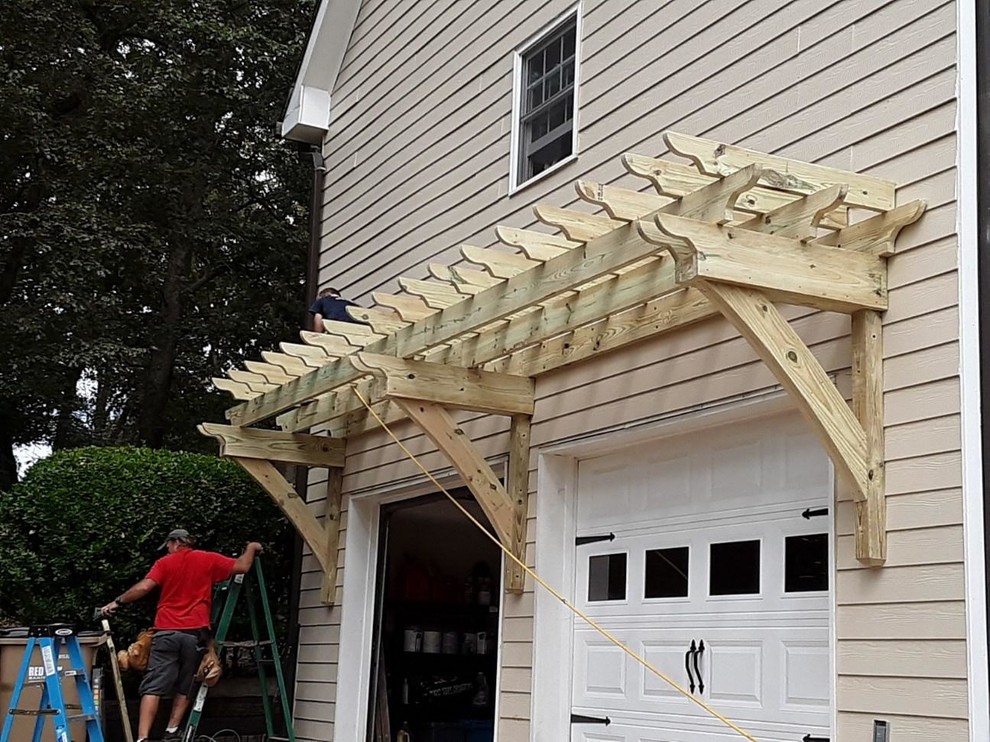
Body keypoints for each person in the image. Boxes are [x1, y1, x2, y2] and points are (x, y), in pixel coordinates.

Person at [101, 529, 263, 742]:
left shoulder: (165, 564)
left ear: (176, 543)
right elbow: (243, 566)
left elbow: (145, 587)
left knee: (153, 685)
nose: (167, 550)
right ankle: (171, 732)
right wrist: (252, 547)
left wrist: (117, 601)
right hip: (195, 635)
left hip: (167, 632)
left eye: (168, 545)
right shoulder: (208, 559)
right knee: (186, 684)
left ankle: (142, 738)